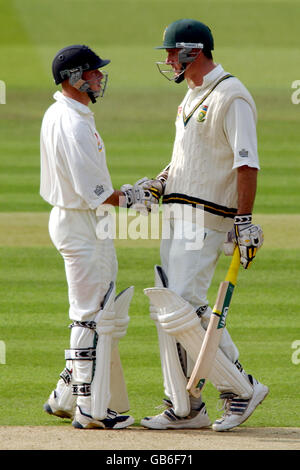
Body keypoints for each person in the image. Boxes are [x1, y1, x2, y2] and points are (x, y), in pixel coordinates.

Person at [138, 19, 268, 431]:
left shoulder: (232, 95)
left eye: (173, 52)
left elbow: (246, 162)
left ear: (195, 51)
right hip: (177, 216)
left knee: (184, 309)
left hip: (207, 217)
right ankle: (185, 406)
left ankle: (241, 389)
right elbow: (185, 158)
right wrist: (160, 183)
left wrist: (243, 220)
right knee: (173, 310)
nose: (169, 59)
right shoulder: (191, 97)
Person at [40, 44, 158, 429]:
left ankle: (66, 394)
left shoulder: (62, 111)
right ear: (74, 78)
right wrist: (135, 197)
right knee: (91, 316)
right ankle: (91, 409)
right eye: (93, 73)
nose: (99, 78)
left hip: (78, 219)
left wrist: (125, 193)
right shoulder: (73, 123)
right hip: (82, 222)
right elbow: (96, 192)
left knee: (95, 310)